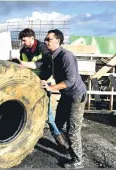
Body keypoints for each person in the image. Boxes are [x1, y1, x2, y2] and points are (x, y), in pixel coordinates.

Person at [17, 29, 87, 169]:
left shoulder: (66, 56)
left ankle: (78, 160)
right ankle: (70, 148)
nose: (45, 41)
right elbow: (39, 65)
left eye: (48, 39)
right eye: (46, 39)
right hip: (66, 95)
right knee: (58, 124)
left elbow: (70, 81)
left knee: (73, 129)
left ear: (58, 41)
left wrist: (51, 87)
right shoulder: (51, 55)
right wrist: (22, 65)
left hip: (76, 95)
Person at [17, 28, 68, 151]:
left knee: (47, 113)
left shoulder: (43, 48)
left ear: (32, 38)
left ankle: (61, 141)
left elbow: (46, 64)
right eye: (22, 41)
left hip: (43, 82)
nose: (23, 43)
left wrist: (28, 66)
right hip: (29, 83)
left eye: (25, 40)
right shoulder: (23, 50)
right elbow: (23, 66)